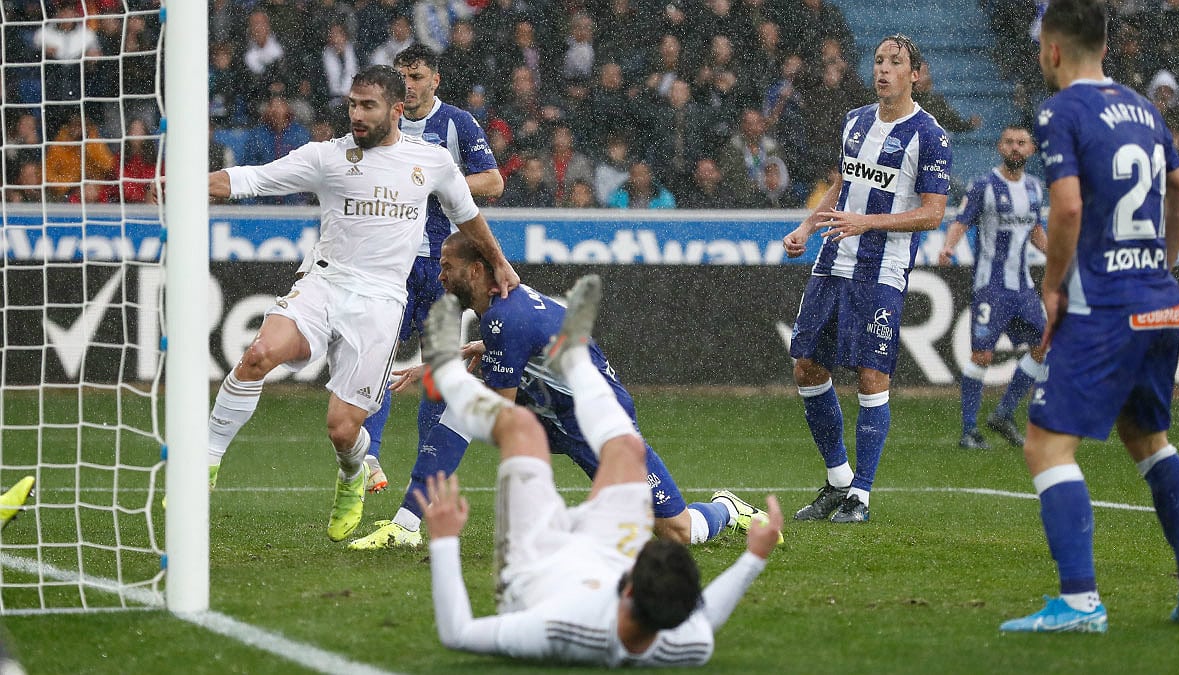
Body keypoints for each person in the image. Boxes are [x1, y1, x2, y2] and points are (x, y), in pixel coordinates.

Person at [186, 65, 517, 543]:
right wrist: (186, 183)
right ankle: (206, 462)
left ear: (396, 110)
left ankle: (351, 473)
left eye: (368, 106)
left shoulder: (432, 162)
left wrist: (499, 264)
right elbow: (251, 179)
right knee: (258, 354)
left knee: (343, 430)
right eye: (352, 105)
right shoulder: (328, 156)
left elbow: (468, 216)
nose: (356, 115)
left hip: (381, 301)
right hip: (324, 282)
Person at [417, 276, 784, 665]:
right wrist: (753, 559)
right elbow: (706, 618)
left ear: (628, 589)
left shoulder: (558, 629)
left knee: (520, 429)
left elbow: (458, 633)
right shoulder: (686, 643)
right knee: (630, 452)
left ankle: (448, 373)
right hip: (602, 552)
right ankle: (573, 357)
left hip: (539, 557)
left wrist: (444, 541)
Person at [348, 234, 774, 550]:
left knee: (677, 532)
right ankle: (406, 524)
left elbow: (502, 415)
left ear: (475, 271)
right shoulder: (503, 307)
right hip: (556, 415)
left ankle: (727, 508)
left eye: (447, 267)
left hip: (602, 427)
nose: (440, 276)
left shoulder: (503, 318)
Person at [1000, 0, 1179, 632]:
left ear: (1053, 49)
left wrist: (1052, 286)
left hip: (1104, 306)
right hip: (1159, 301)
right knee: (1149, 441)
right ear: (1106, 46)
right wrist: (1160, 264)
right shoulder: (1144, 108)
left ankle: (1081, 602)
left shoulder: (1060, 111)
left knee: (1046, 444)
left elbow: (1066, 208)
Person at [783, 34, 951, 524]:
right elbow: (843, 185)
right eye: (878, 60)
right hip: (833, 259)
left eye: (895, 62)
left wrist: (868, 223)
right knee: (807, 367)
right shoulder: (854, 121)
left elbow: (933, 214)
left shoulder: (930, 135)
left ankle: (862, 495)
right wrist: (808, 226)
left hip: (882, 270)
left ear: (914, 74)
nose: (883, 69)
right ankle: (838, 479)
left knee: (871, 375)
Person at [351, 44, 506, 499]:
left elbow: (493, 181)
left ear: (435, 80)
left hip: (443, 268)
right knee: (375, 355)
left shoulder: (456, 123)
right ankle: (369, 456)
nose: (409, 85)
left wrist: (435, 181)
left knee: (438, 367)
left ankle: (427, 472)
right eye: (402, 77)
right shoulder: (384, 122)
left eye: (416, 77)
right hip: (392, 261)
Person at [937, 126, 1048, 450]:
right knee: (982, 355)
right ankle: (969, 430)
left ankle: (1003, 413)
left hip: (1023, 287)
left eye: (1021, 143)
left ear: (1031, 150)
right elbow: (961, 220)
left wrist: (1059, 256)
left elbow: (1034, 230)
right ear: (1000, 147)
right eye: (1009, 142)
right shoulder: (984, 186)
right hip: (991, 286)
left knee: (1043, 347)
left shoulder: (1034, 188)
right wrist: (948, 246)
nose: (1015, 147)